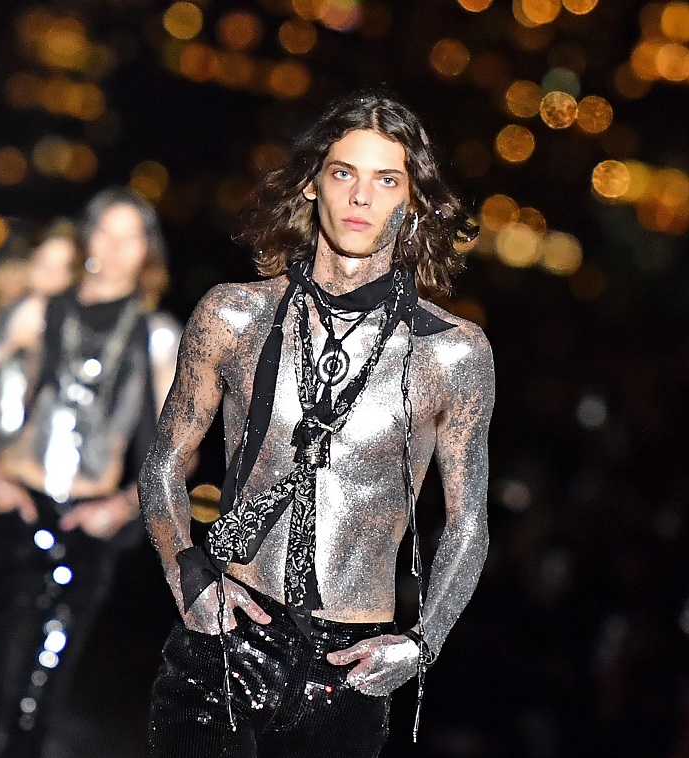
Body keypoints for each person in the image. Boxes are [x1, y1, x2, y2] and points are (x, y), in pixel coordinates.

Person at [140, 89, 495, 757]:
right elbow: (163, 461)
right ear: (311, 185)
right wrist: (183, 568)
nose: (362, 198)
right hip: (226, 637)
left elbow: (469, 519)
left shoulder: (454, 354)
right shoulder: (233, 316)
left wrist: (424, 641)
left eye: (386, 180)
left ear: (412, 200)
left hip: (352, 669)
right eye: (344, 173)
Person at [0, 189, 180, 758]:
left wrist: (119, 507)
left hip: (85, 528)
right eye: (105, 233)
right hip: (14, 510)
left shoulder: (159, 335)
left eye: (130, 237)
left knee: (40, 690)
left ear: (147, 252)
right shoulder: (38, 310)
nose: (115, 249)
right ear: (86, 239)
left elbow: (176, 449)